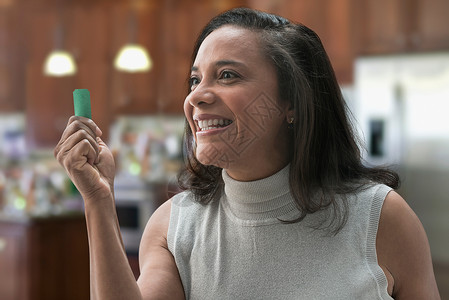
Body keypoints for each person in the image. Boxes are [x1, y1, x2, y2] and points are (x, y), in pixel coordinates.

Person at [54, 7, 440, 300]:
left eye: (227, 75)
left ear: (291, 103)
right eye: (195, 79)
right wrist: (98, 201)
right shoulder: (175, 227)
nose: (196, 96)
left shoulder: (380, 217)